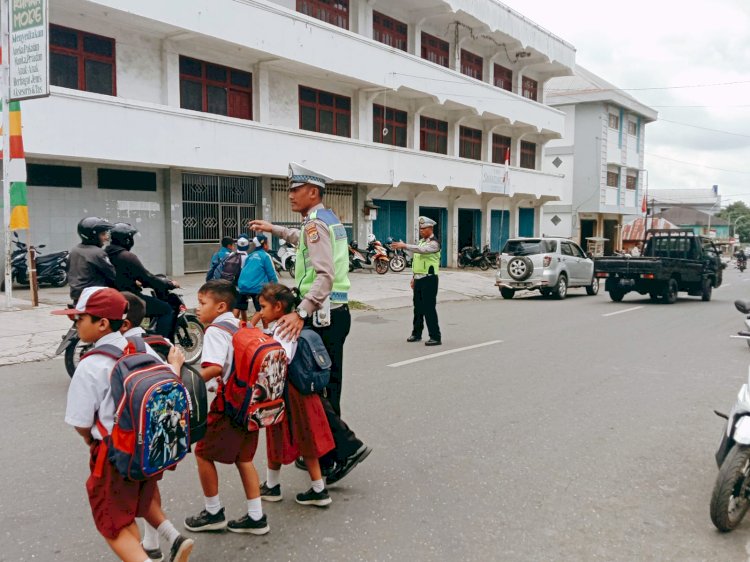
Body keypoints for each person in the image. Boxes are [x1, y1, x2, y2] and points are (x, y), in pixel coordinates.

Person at [249, 162, 371, 486]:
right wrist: (273, 229)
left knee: (316, 388)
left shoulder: (317, 224)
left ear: (312, 191)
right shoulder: (323, 220)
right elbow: (299, 238)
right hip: (333, 312)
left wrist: (300, 313)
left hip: (322, 314)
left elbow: (325, 275)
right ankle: (329, 452)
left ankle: (344, 449)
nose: (290, 195)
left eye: (294, 189)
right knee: (326, 386)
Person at [54, 287, 193, 562]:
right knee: (138, 502)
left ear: (102, 323)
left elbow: (81, 423)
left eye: (79, 318)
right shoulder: (144, 349)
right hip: (147, 449)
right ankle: (168, 540)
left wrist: (91, 441)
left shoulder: (91, 365)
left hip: (113, 452)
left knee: (113, 522)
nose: (75, 324)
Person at [183, 280, 269, 536]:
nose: (198, 308)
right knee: (244, 459)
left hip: (229, 404)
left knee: (203, 453)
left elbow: (215, 368)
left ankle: (213, 512)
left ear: (220, 306)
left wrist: (183, 379)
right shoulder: (239, 325)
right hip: (251, 402)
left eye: (202, 303)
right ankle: (256, 516)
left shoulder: (214, 331)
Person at [119, 291, 189, 562]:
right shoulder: (154, 342)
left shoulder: (126, 348)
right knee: (147, 485)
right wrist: (174, 366)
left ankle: (161, 542)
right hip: (158, 432)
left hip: (132, 435)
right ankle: (153, 542)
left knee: (119, 507)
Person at [254, 283, 335, 507]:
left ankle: (274, 485)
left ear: (278, 306)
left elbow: (277, 359)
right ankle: (317, 488)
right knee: (306, 437)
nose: (260, 312)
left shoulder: (282, 329)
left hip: (287, 393)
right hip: (301, 392)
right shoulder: (288, 325)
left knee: (279, 435)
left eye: (263, 307)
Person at [106, 223, 179, 340]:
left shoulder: (106, 254)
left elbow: (121, 275)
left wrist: (134, 281)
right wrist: (168, 284)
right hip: (129, 298)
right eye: (131, 238)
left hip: (113, 296)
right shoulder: (127, 256)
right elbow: (147, 277)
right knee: (166, 309)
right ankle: (161, 344)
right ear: (127, 239)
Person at [391, 216, 442, 346]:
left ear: (430, 228)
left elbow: (422, 251)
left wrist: (405, 246)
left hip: (429, 279)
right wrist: (414, 277)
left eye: (423, 228)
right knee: (417, 308)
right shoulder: (421, 242)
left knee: (429, 308)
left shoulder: (434, 243)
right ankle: (416, 333)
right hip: (419, 279)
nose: (421, 230)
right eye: (420, 228)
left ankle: (435, 336)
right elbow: (417, 260)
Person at [68, 217, 116, 301]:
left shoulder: (75, 250)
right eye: (103, 234)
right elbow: (112, 275)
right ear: (93, 236)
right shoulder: (98, 253)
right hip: (94, 297)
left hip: (77, 295)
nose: (106, 238)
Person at [236, 234, 278, 320]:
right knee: (261, 309)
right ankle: (250, 328)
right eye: (268, 243)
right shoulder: (265, 256)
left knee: (238, 307)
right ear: (265, 245)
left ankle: (230, 326)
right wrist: (276, 288)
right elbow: (272, 275)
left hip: (242, 286)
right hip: (256, 288)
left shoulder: (250, 256)